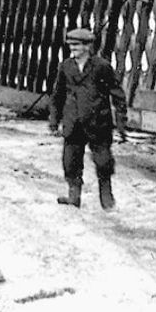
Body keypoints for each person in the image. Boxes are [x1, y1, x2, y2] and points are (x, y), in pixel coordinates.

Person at [48, 27, 129, 210]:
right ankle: (73, 196)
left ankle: (106, 197)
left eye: (77, 45)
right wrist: (54, 121)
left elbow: (117, 94)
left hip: (97, 122)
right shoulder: (66, 66)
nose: (73, 49)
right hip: (73, 122)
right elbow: (57, 95)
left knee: (103, 161)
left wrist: (121, 122)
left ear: (87, 46)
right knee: (71, 161)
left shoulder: (101, 66)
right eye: (71, 45)